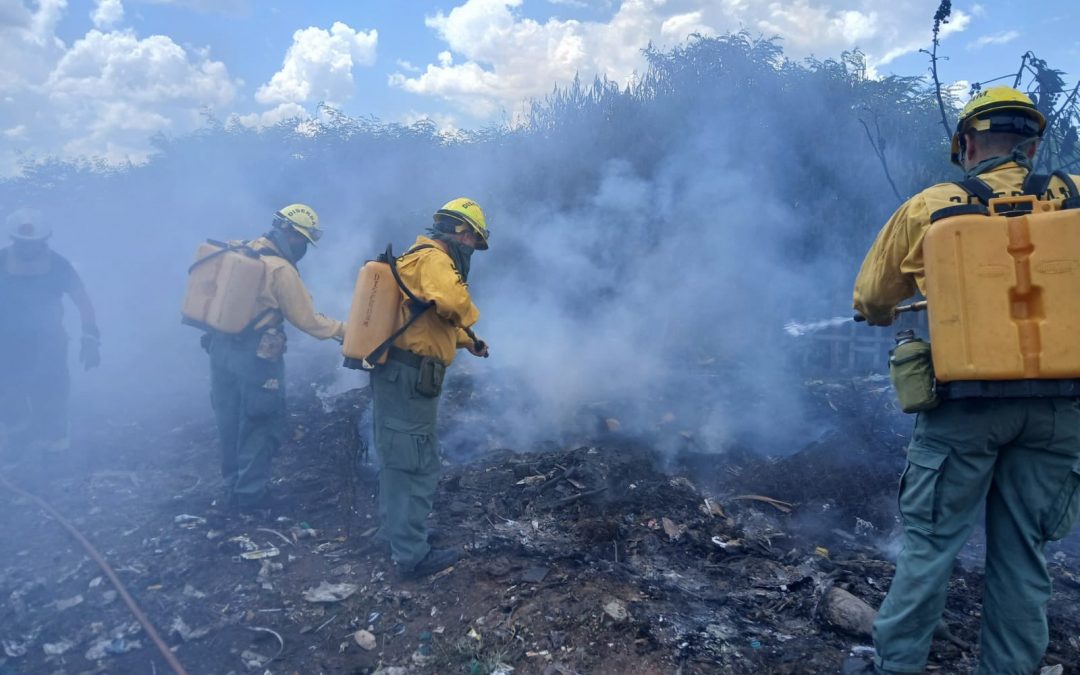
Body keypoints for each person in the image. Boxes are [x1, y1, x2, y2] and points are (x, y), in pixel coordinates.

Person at [852, 86, 1080, 674]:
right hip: (1059, 412)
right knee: (1025, 553)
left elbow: (872, 297)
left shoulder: (935, 205)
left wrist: (883, 312)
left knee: (930, 547)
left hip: (964, 409)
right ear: (1034, 145)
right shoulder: (1074, 196)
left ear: (967, 145)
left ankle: (896, 667)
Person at [372, 197, 490, 579]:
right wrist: (471, 316)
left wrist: (468, 342)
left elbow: (429, 321)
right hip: (411, 377)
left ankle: (398, 533)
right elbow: (453, 303)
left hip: (400, 373)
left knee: (399, 457)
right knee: (417, 464)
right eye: (473, 240)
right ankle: (412, 555)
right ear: (461, 232)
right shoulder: (436, 260)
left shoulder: (416, 256)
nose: (472, 248)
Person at [205, 204, 345, 515]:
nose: (303, 247)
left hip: (220, 347)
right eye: (304, 240)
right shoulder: (280, 269)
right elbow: (308, 320)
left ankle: (233, 486)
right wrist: (346, 331)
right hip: (255, 356)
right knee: (260, 421)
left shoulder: (242, 249)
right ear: (292, 235)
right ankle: (251, 496)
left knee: (229, 418)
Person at [0, 218, 99, 457]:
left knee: (51, 390)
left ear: (44, 241)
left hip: (49, 341)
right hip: (7, 342)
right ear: (14, 240)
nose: (27, 247)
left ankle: (56, 447)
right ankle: (18, 442)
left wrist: (90, 337)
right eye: (22, 242)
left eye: (32, 243)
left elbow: (83, 302)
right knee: (9, 392)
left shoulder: (58, 264)